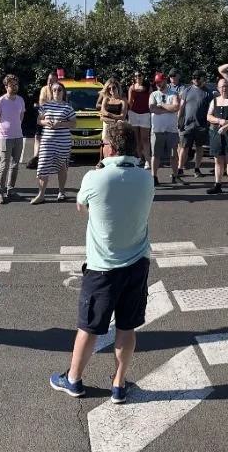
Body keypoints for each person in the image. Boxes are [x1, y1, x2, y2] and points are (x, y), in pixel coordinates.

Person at [49, 122, 154, 403]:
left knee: (89, 327)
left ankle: (74, 379)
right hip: (137, 262)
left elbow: (81, 206)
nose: (102, 147)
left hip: (102, 266)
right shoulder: (146, 178)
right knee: (126, 326)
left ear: (111, 148)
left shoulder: (94, 178)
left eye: (104, 143)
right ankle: (119, 383)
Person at [33, 79, 76, 203]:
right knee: (42, 166)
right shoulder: (46, 106)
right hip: (47, 141)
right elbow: (38, 120)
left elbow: (73, 123)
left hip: (63, 142)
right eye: (54, 90)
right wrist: (45, 122)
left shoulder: (68, 107)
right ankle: (41, 194)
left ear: (63, 92)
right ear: (51, 92)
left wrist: (60, 123)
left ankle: (61, 192)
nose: (57, 92)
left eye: (59, 90)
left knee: (62, 165)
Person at [0, 74, 27, 204]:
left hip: (18, 136)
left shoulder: (20, 100)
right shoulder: (0, 101)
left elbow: (21, 116)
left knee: (15, 165)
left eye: (16, 85)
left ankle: (10, 189)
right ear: (6, 86)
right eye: (12, 85)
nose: (14, 87)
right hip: (5, 138)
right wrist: (0, 134)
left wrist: (16, 128)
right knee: (4, 165)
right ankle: (0, 193)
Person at [148, 73, 183, 186]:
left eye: (160, 82)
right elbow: (152, 109)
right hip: (157, 130)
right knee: (155, 155)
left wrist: (162, 105)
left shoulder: (173, 94)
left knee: (173, 155)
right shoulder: (153, 94)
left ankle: (175, 176)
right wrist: (169, 109)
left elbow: (176, 107)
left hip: (171, 129)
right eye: (156, 83)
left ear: (165, 81)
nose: (158, 84)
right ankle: (154, 177)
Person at [177, 73, 210, 180]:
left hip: (201, 125)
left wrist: (208, 123)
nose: (196, 79)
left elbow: (211, 109)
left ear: (202, 78)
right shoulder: (187, 90)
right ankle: (180, 168)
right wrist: (178, 121)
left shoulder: (207, 92)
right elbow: (181, 107)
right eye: (194, 77)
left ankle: (197, 169)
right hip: (187, 125)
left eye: (198, 77)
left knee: (199, 147)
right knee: (184, 147)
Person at [126, 71, 153, 160]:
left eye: (139, 75)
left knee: (145, 138)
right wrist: (130, 113)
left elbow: (152, 101)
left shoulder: (148, 87)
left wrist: (151, 112)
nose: (138, 77)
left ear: (143, 76)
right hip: (134, 114)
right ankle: (139, 158)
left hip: (145, 114)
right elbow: (130, 102)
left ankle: (147, 158)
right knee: (136, 138)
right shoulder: (132, 87)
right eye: (136, 76)